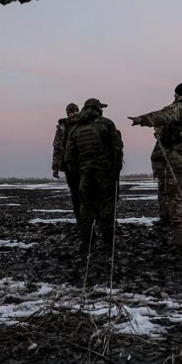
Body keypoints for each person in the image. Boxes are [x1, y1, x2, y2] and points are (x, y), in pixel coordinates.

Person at [128, 82, 182, 247]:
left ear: (180, 94)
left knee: (175, 195)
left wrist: (142, 119)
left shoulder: (181, 107)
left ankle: (178, 236)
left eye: (175, 94)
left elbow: (163, 115)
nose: (174, 97)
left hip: (178, 157)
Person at [64, 98, 123, 253]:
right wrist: (114, 171)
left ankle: (87, 243)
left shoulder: (76, 128)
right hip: (104, 174)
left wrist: (79, 172)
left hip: (85, 175)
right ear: (97, 109)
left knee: (85, 207)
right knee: (106, 205)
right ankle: (108, 243)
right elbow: (117, 149)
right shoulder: (106, 123)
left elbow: (69, 156)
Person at [52, 102, 81, 223]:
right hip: (69, 166)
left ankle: (89, 220)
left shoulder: (84, 124)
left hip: (84, 165)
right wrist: (55, 167)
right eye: (71, 112)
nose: (74, 114)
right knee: (75, 193)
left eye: (76, 111)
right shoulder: (62, 128)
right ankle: (80, 220)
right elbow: (57, 148)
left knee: (87, 192)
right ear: (67, 113)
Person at [150, 127, 171, 229]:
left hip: (166, 172)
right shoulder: (160, 139)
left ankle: (167, 218)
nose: (154, 129)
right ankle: (164, 217)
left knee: (165, 195)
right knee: (162, 195)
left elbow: (167, 152)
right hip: (161, 173)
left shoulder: (166, 139)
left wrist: (155, 155)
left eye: (156, 127)